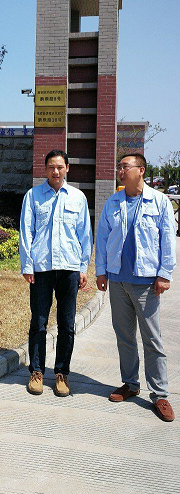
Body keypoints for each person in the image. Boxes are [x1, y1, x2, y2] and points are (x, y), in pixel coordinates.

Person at [95, 153, 177, 422]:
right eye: (119, 166)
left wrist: (164, 274)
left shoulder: (159, 201)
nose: (120, 170)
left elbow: (168, 238)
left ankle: (160, 394)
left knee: (152, 338)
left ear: (141, 170)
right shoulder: (113, 202)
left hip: (146, 282)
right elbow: (103, 238)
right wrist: (101, 271)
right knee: (124, 336)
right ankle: (130, 384)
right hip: (118, 280)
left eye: (125, 166)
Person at [19, 149, 92, 397]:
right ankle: (37, 372)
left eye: (60, 167)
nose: (56, 171)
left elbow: (85, 234)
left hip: (69, 268)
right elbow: (26, 231)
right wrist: (27, 265)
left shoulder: (78, 197)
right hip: (41, 268)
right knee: (39, 322)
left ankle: (62, 373)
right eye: (51, 167)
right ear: (45, 169)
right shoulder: (33, 196)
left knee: (67, 324)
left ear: (67, 168)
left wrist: (83, 267)